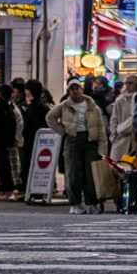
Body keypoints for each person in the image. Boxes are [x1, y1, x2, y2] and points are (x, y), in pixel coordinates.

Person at [48, 81, 106, 214]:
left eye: (77, 88)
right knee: (73, 173)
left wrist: (102, 148)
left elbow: (101, 128)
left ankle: (91, 203)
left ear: (81, 89)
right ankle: (75, 203)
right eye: (72, 89)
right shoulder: (64, 106)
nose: (75, 91)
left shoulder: (93, 107)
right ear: (69, 91)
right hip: (72, 140)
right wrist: (63, 131)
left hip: (90, 140)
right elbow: (50, 118)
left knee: (91, 174)